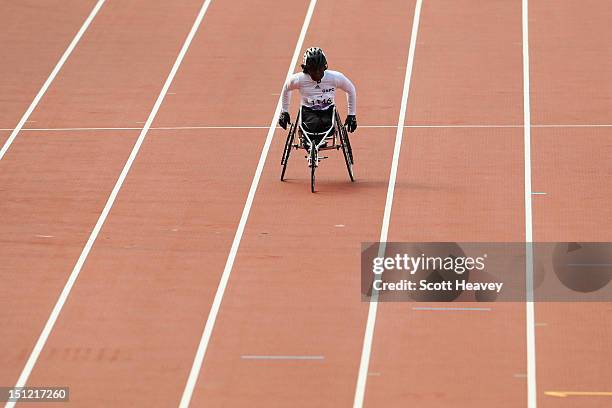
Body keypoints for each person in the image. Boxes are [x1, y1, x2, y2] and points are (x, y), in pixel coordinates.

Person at [278, 47, 357, 144]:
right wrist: (284, 112)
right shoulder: (299, 79)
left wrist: (351, 115)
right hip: (308, 112)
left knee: (324, 128)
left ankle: (313, 141)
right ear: (306, 69)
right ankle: (311, 141)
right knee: (311, 127)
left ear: (324, 67)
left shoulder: (335, 78)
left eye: (319, 70)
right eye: (313, 70)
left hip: (327, 112)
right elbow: (286, 89)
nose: (317, 73)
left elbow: (351, 90)